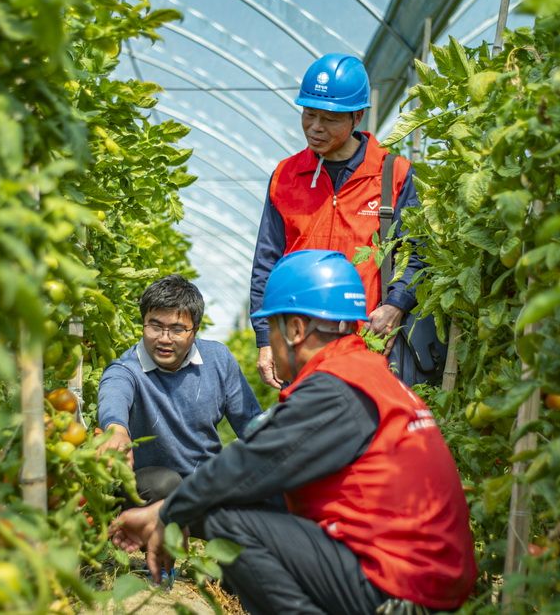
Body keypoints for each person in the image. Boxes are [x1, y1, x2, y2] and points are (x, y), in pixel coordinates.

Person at [110, 251, 477, 614]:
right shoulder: (366, 374)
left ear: (296, 330)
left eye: (270, 328)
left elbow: (249, 463)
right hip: (422, 573)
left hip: (402, 587)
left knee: (228, 521)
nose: (268, 341)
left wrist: (166, 512)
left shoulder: (334, 388)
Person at [251, 52, 438, 390]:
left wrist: (396, 306)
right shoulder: (286, 176)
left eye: (329, 118)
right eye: (308, 114)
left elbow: (417, 250)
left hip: (372, 344)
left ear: (357, 117)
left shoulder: (391, 174)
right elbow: (267, 262)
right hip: (303, 347)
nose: (315, 127)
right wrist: (265, 339)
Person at [96, 274, 262, 504]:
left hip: (205, 484)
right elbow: (113, 394)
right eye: (155, 326)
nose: (164, 339)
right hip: (150, 489)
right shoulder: (127, 369)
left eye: (177, 329)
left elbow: (250, 423)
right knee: (163, 482)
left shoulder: (218, 359)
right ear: (143, 322)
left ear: (195, 330)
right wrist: (116, 429)